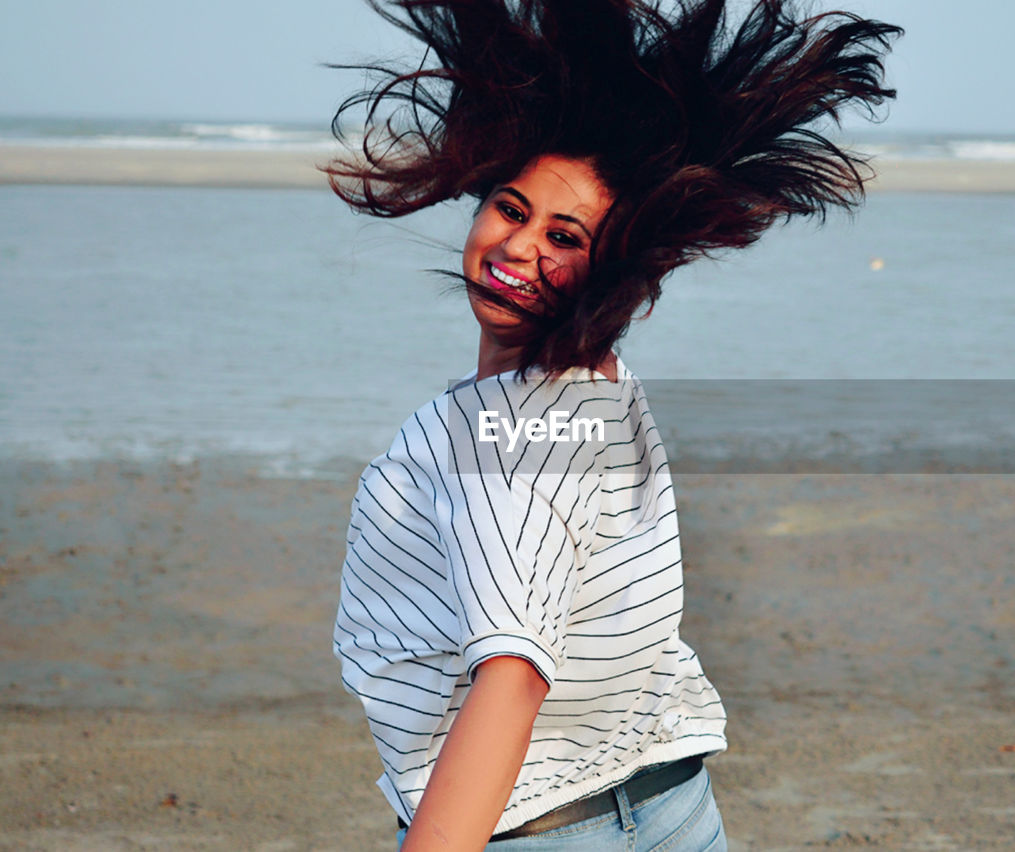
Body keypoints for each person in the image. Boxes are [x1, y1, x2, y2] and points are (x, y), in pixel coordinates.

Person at [326, 1, 900, 848]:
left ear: (613, 266)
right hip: (670, 808)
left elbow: (512, 676)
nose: (520, 248)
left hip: (549, 827)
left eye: (565, 236)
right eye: (512, 210)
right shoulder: (599, 382)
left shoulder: (516, 437)